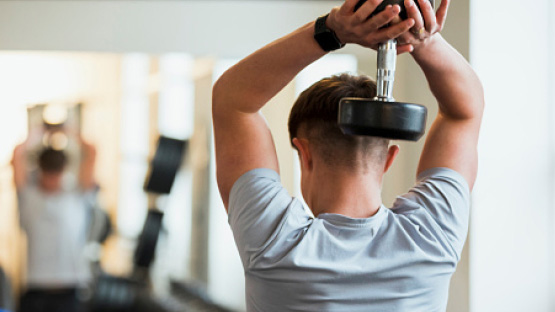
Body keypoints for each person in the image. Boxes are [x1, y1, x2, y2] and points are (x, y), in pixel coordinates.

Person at [212, 0, 484, 310]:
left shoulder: (272, 242)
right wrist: (420, 36)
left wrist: (332, 30)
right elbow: (465, 111)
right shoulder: (432, 239)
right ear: (389, 158)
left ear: (304, 154)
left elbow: (231, 99)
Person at [12, 134, 99, 312]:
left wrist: (67, 130)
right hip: (36, 288)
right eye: (48, 173)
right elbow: (17, 154)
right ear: (41, 170)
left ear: (63, 170)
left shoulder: (77, 197)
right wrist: (39, 131)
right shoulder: (29, 198)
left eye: (56, 173)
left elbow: (92, 152)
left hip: (70, 288)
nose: (52, 179)